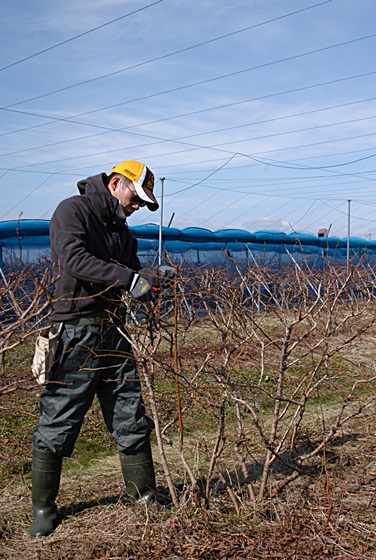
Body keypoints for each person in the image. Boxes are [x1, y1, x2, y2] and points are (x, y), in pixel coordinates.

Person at [30, 160, 174, 538]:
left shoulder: (124, 235)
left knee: (129, 411)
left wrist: (151, 280)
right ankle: (43, 509)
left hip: (114, 331)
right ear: (115, 184)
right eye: (136, 197)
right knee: (59, 417)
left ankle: (144, 496)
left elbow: (133, 274)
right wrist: (130, 279)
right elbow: (73, 261)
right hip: (76, 329)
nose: (138, 206)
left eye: (144, 202)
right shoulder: (72, 211)